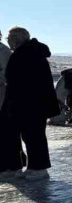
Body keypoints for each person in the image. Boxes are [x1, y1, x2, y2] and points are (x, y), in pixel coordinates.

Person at [4, 27, 59, 181]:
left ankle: (39, 168)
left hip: (29, 104)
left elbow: (19, 83)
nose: (8, 42)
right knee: (32, 136)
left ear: (17, 39)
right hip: (34, 103)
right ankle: (34, 167)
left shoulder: (25, 54)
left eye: (9, 39)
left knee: (34, 136)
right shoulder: (32, 53)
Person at [0, 29, 19, 179]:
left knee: (6, 132)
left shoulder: (4, 51)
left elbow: (9, 75)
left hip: (4, 97)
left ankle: (10, 165)